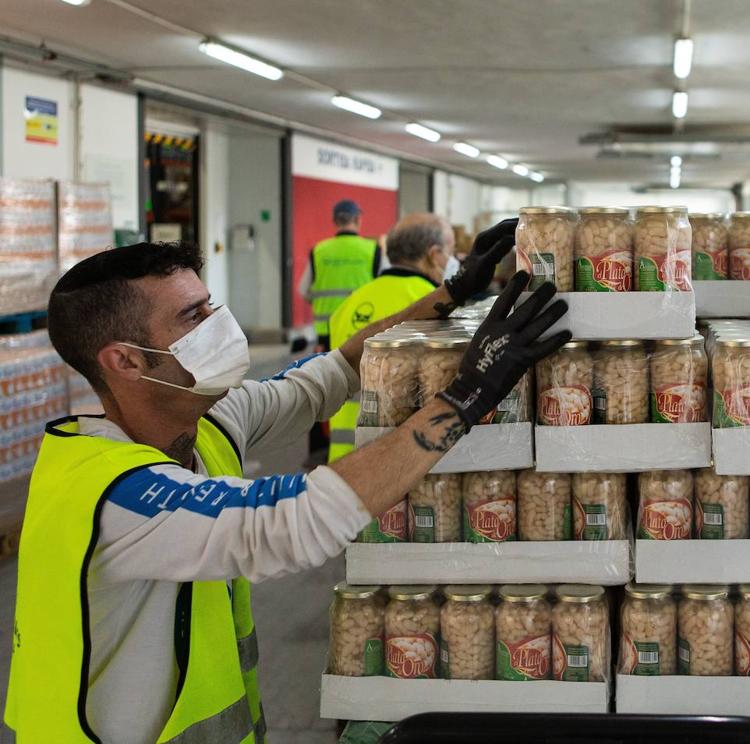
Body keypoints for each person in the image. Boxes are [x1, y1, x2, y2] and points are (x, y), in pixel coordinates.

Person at [2, 231, 569, 744]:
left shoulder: (209, 421)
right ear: (125, 360)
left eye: (210, 303)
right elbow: (292, 523)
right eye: (193, 316)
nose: (219, 323)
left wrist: (447, 294)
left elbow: (333, 372)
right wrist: (466, 397)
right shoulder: (113, 494)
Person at [327, 213, 511, 461]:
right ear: (434, 255)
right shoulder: (439, 307)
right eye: (451, 251)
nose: (454, 260)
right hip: (399, 457)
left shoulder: (349, 302)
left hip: (342, 456)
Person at [298, 199, 383, 349]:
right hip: (362, 327)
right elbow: (385, 286)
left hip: (327, 331)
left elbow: (303, 290)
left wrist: (320, 302)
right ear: (358, 219)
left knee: (330, 371)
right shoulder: (372, 250)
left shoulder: (319, 251)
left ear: (334, 221)